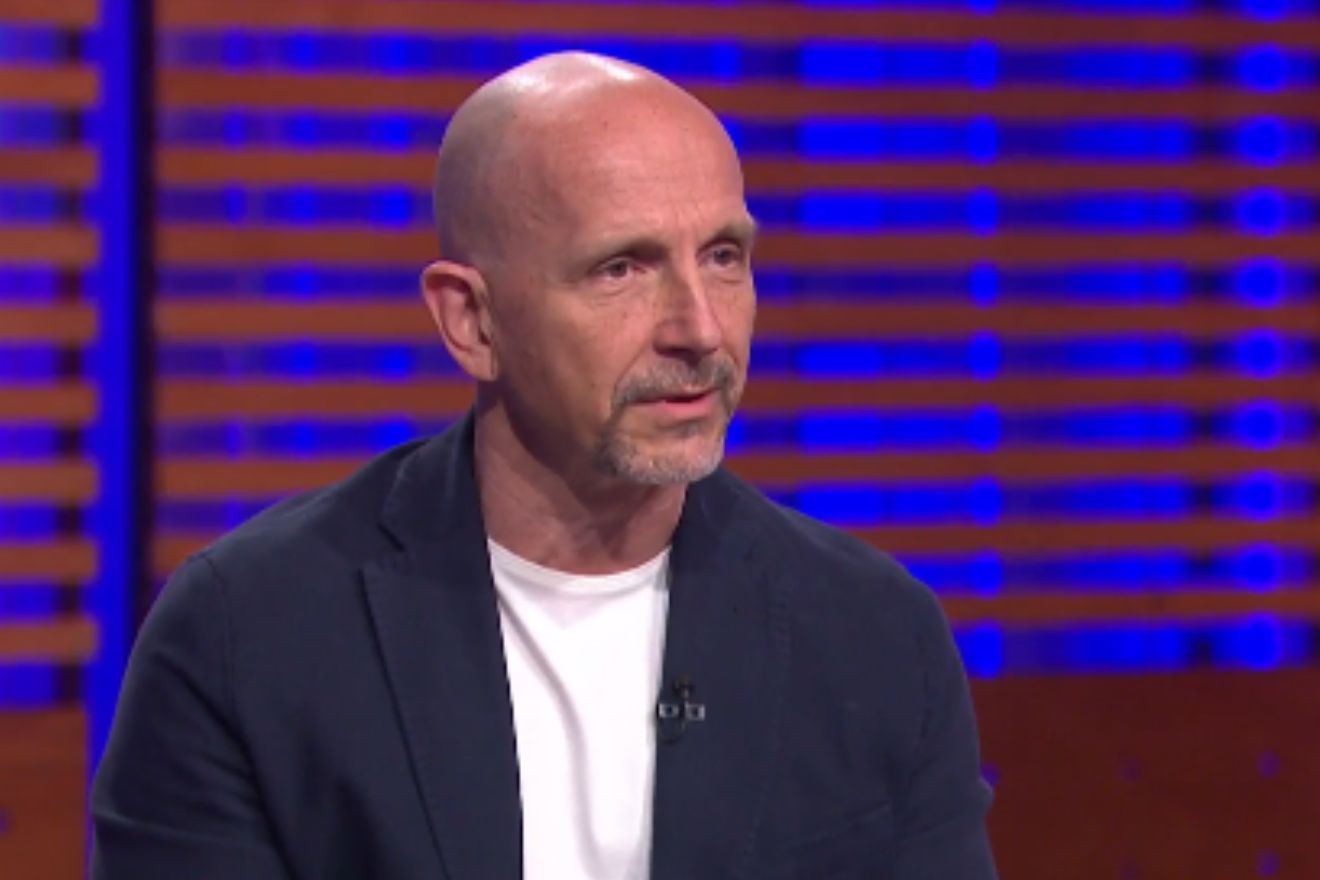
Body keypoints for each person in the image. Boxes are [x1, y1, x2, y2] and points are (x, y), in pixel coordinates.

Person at [91, 52, 997, 879]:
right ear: (471, 322)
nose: (700, 329)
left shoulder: (874, 635)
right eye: (622, 269)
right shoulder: (252, 632)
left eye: (724, 257)